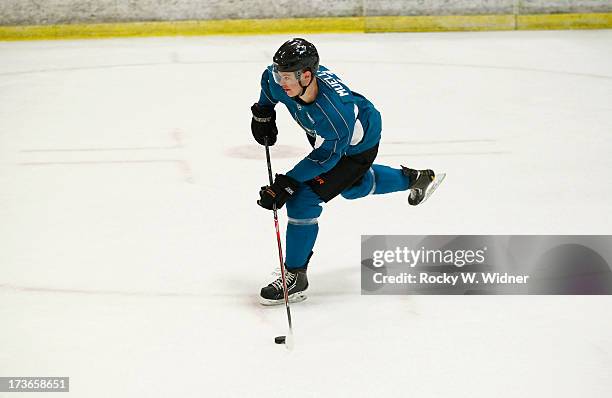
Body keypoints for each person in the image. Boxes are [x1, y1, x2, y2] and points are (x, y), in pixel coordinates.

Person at [251, 38, 444, 305]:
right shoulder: (280, 81)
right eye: (279, 74)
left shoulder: (334, 115)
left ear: (306, 76)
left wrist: (287, 183)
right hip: (328, 135)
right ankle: (416, 178)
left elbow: (324, 159)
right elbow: (268, 86)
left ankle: (295, 277)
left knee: (303, 197)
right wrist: (263, 113)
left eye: (287, 77)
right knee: (353, 187)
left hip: (357, 144)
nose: (281, 82)